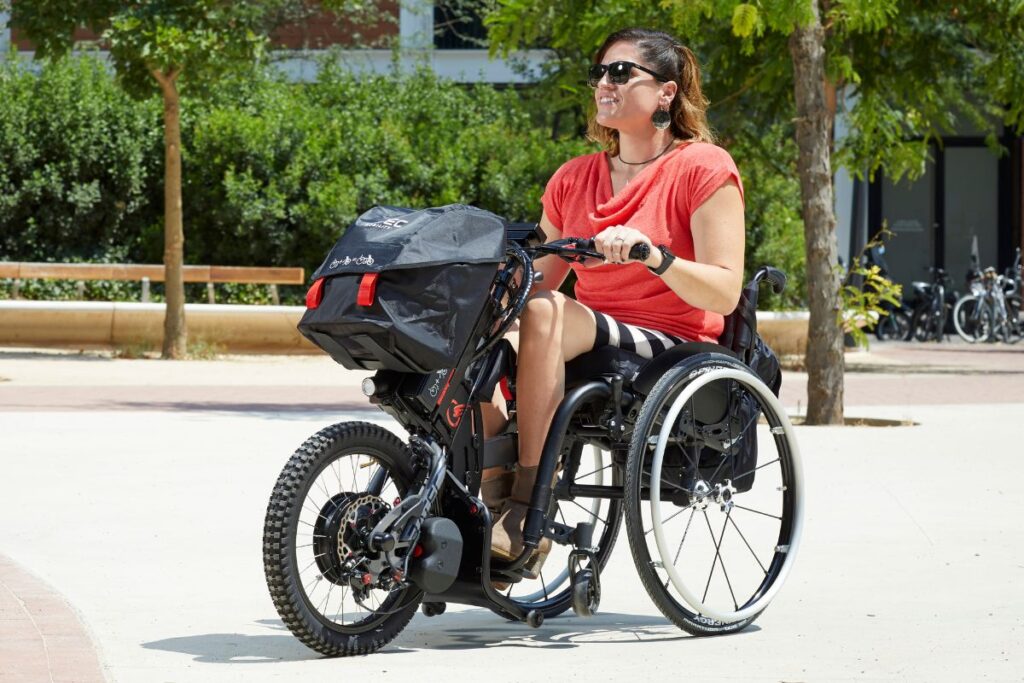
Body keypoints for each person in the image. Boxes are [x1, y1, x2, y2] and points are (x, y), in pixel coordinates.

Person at [482, 27, 746, 575]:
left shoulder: (702, 167)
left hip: (671, 341)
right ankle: (489, 492)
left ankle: (530, 506)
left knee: (545, 313)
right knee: (475, 339)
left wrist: (656, 257)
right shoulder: (574, 178)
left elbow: (723, 292)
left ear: (666, 93)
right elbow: (543, 277)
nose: (605, 82)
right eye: (599, 72)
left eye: (621, 72)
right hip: (584, 325)